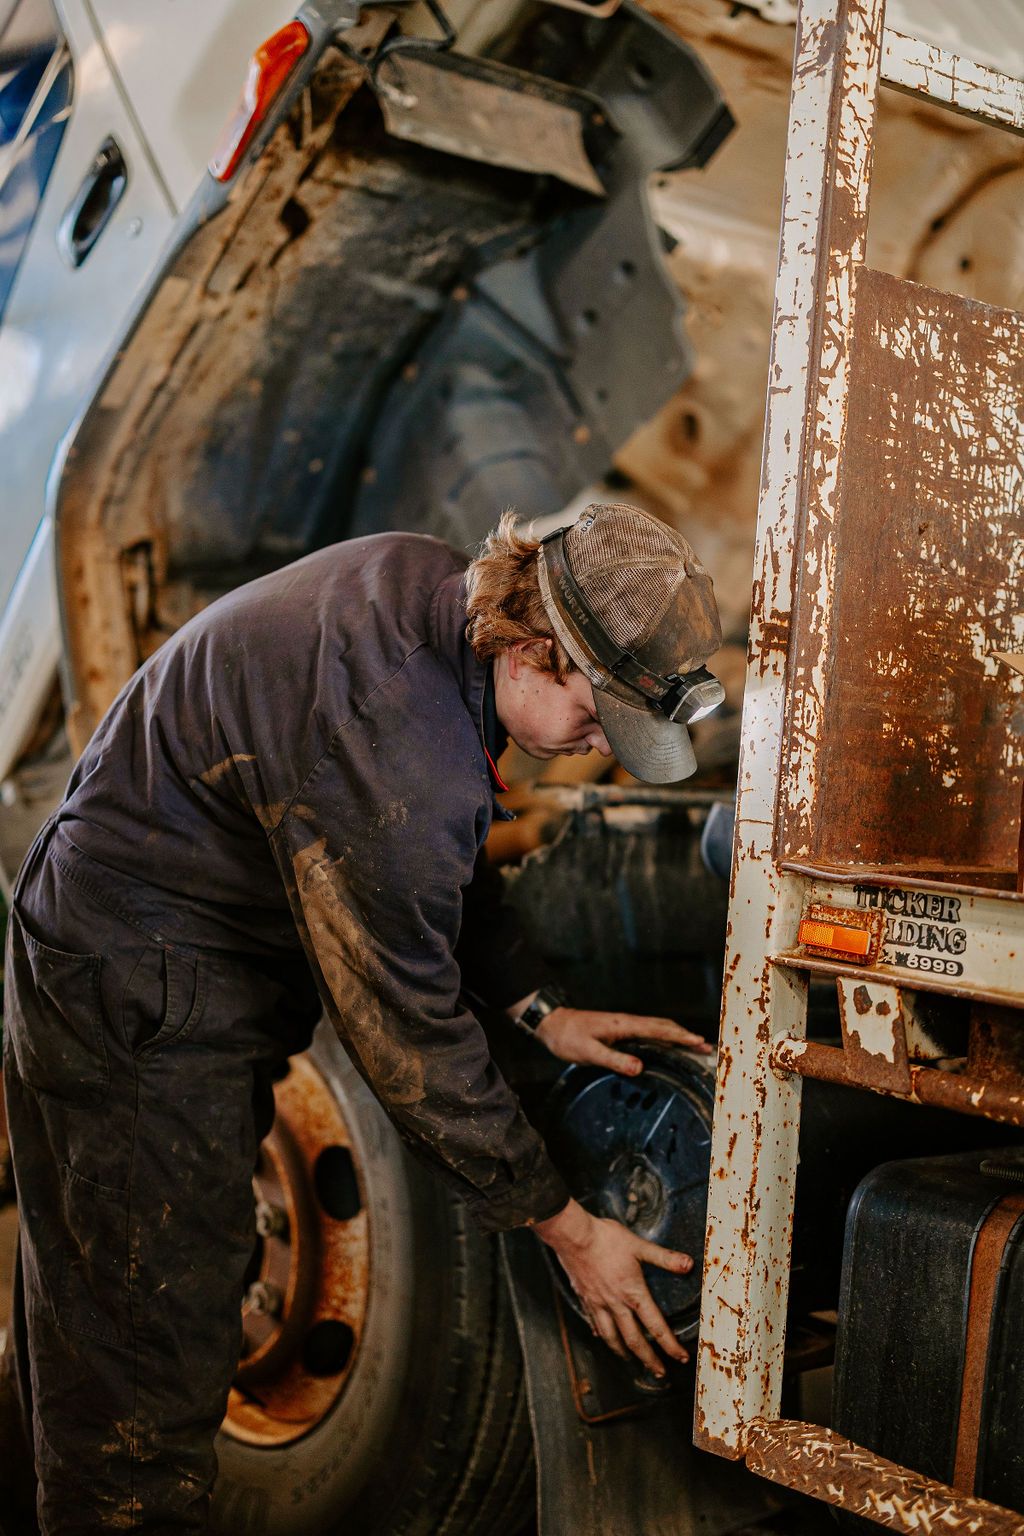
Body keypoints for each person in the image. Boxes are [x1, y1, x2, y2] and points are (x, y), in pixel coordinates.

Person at [3, 501, 723, 1532]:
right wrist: (567, 1229)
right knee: (142, 1357)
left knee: (94, 1318)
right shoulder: (399, 736)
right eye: (597, 715)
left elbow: (441, 867)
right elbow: (411, 1045)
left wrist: (541, 1011)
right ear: (533, 650)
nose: (596, 745)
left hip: (140, 940)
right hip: (132, 980)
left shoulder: (437, 599)